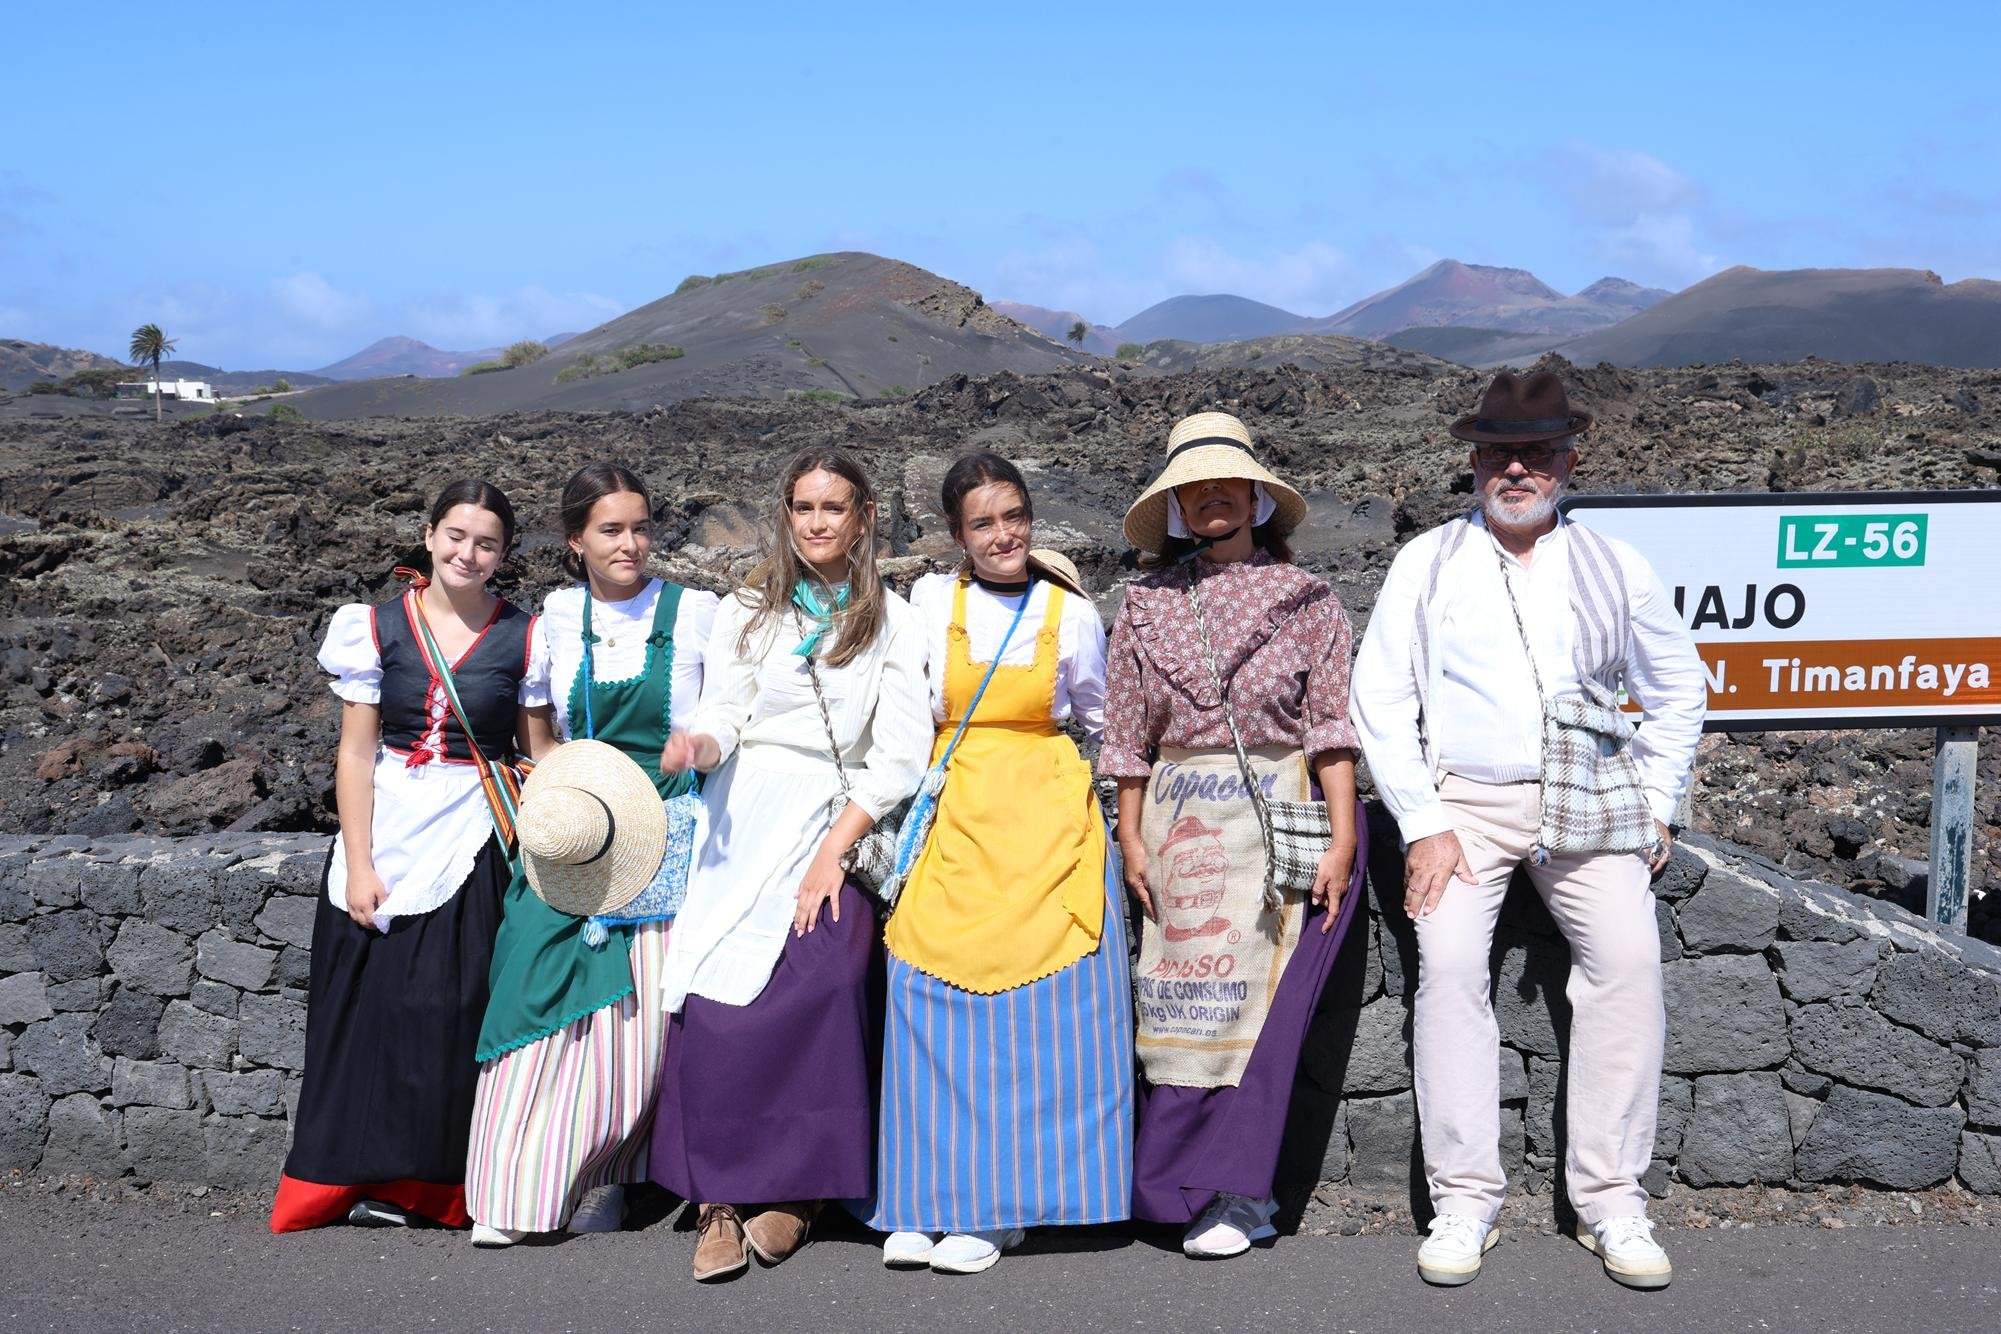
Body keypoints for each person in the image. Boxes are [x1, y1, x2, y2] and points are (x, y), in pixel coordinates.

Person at [1350, 369, 1706, 1290]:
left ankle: (1611, 1200)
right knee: (1454, 969)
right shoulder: (1425, 562)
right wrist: (1422, 825)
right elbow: (1379, 697)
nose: (1516, 468)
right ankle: (1465, 1201)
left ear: (1568, 460)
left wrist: (1656, 799)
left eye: (1536, 452)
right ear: (1472, 461)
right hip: (1464, 804)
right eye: (1498, 452)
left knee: (1626, 963)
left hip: (1588, 803)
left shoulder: (1615, 565)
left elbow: (1677, 689)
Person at [651, 447, 930, 1282]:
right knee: (713, 994)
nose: (816, 522)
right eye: (802, 506)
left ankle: (799, 1192)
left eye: (832, 507)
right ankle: (720, 1201)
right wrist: (696, 743)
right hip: (744, 814)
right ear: (786, 514)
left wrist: (830, 856)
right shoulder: (750, 609)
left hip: (831, 812)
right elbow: (726, 709)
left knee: (824, 977)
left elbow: (899, 755)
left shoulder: (894, 620)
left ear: (864, 516)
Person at [1099, 411, 1366, 1259]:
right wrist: (1131, 838)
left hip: (1281, 817)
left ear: (1258, 495)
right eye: (1192, 487)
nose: (1211, 496)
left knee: (1260, 1013)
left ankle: (1242, 1195)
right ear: (1175, 505)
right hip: (1180, 814)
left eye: (1225, 482)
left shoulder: (1311, 600)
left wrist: (1343, 836)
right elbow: (1126, 737)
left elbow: (1328, 726)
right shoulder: (1144, 604)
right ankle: (1172, 1186)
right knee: (1180, 1003)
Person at [865, 452, 1134, 1275]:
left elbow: (1094, 717)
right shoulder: (927, 602)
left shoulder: (1070, 614)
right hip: (956, 811)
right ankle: (922, 1197)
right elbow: (907, 703)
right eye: (981, 522)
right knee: (929, 996)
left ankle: (1004, 1207)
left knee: (1038, 1018)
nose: (1003, 534)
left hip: (1045, 815)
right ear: (956, 535)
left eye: (1012, 515)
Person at [462, 463, 719, 1247]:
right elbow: (538, 736)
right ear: (575, 541)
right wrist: (562, 807)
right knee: (530, 982)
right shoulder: (557, 620)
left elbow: (724, 722)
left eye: (641, 527)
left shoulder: (699, 614)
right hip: (579, 826)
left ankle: (605, 1176)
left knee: (634, 1018)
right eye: (610, 529)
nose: (631, 544)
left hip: (666, 834)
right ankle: (513, 1187)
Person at [272, 480, 530, 1233]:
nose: (467, 553)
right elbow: (354, 751)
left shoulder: (524, 635)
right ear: (428, 534)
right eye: (455, 536)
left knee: (451, 1009)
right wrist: (358, 863)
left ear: (504, 554)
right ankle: (343, 1180)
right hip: (385, 826)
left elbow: (534, 746)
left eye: (485, 542)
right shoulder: (374, 626)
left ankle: (431, 1189)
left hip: (472, 827)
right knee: (364, 1011)